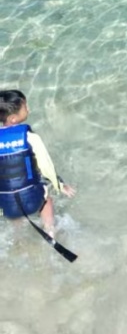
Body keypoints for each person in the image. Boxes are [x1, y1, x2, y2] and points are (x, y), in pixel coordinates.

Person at [0, 90, 76, 237]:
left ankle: (18, 236)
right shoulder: (30, 137)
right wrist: (60, 185)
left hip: (5, 205)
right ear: (13, 118)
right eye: (25, 107)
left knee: (12, 209)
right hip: (31, 200)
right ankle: (50, 231)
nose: (29, 109)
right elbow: (46, 167)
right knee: (46, 200)